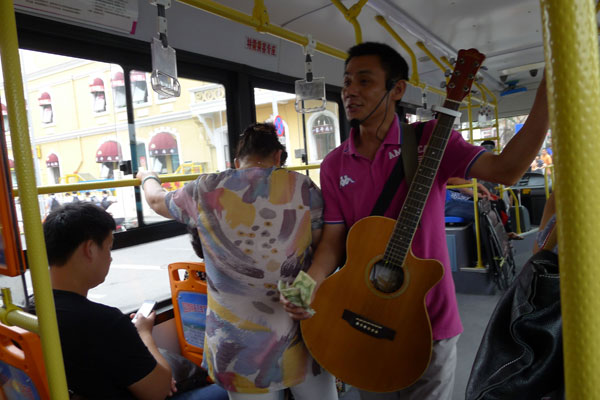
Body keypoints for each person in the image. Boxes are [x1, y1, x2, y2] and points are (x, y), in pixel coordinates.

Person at [283, 42, 548, 400]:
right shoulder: (334, 163)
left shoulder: (431, 141)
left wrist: (549, 98)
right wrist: (304, 288)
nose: (350, 92)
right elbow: (332, 242)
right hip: (361, 311)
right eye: (347, 82)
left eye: (364, 81)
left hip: (429, 318)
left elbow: (507, 170)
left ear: (397, 89)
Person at [137, 123, 337, 400]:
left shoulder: (203, 189)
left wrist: (148, 176)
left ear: (234, 162)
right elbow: (320, 244)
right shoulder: (303, 187)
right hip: (302, 332)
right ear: (278, 157)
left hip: (239, 347)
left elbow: (156, 200)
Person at [43, 202, 227, 400]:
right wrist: (144, 333)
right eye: (108, 248)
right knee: (230, 391)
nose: (110, 258)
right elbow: (159, 390)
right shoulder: (104, 322)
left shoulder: (32, 311)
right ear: (89, 249)